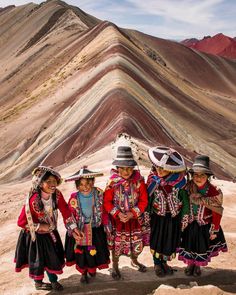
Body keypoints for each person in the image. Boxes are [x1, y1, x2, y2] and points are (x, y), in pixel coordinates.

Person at [14, 166, 82, 291]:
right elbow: (21, 222)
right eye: (48, 181)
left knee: (52, 257)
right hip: (35, 236)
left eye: (54, 181)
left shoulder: (57, 195)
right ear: (40, 183)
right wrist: (40, 226)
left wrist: (73, 228)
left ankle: (53, 281)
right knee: (39, 260)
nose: (53, 184)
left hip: (50, 232)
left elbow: (65, 211)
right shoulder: (33, 199)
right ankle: (38, 283)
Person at [103, 146, 149, 280]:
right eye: (122, 168)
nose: (126, 171)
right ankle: (115, 266)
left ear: (133, 168)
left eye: (129, 168)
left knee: (136, 243)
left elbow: (143, 201)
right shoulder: (112, 183)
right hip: (118, 221)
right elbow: (107, 202)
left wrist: (132, 214)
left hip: (134, 220)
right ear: (117, 168)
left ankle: (134, 260)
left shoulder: (139, 181)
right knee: (117, 245)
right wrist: (118, 214)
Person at [178, 155, 228, 276]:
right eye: (196, 175)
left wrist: (214, 229)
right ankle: (190, 264)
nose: (198, 178)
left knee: (201, 247)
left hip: (205, 225)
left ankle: (197, 267)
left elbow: (217, 212)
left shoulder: (213, 192)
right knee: (189, 246)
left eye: (202, 175)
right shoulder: (187, 188)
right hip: (190, 224)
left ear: (208, 177)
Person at [147, 146, 189, 277]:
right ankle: (157, 264)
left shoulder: (180, 183)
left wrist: (185, 216)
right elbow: (149, 198)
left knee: (169, 241)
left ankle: (164, 262)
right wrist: (146, 214)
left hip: (173, 218)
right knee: (156, 240)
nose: (159, 171)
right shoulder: (152, 181)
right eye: (158, 167)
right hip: (157, 217)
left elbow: (185, 201)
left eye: (163, 168)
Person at [64, 167, 110, 284]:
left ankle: (92, 269)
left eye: (89, 183)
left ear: (93, 182)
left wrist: (106, 226)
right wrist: (73, 230)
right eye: (82, 184)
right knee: (82, 253)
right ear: (77, 185)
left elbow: (104, 211)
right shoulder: (74, 198)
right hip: (80, 230)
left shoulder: (99, 194)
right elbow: (70, 214)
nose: (86, 187)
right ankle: (83, 273)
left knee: (94, 252)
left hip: (95, 229)